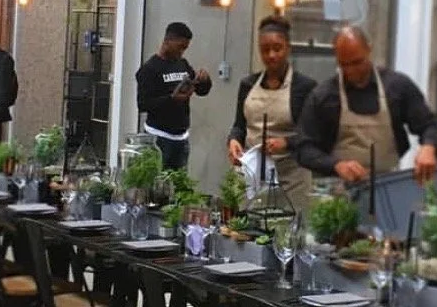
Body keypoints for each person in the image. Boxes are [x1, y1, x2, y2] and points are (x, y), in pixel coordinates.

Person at [296, 24, 437, 185]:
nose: (351, 71)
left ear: (369, 49)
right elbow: (304, 149)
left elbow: (430, 124)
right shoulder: (323, 96)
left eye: (357, 62)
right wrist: (336, 165)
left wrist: (428, 148)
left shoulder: (397, 87)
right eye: (344, 65)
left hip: (387, 184)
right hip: (337, 189)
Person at [227, 15, 317, 212]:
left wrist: (286, 143)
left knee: (290, 234)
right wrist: (233, 141)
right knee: (248, 232)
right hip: (253, 174)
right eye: (265, 50)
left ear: (288, 47)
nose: (272, 55)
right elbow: (239, 126)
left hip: (291, 177)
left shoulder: (305, 87)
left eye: (277, 48)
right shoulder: (248, 85)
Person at [135, 21, 212, 171]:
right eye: (180, 47)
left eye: (185, 48)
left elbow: (200, 91)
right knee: (157, 184)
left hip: (181, 138)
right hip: (159, 138)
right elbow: (143, 104)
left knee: (179, 186)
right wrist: (171, 99)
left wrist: (205, 82)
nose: (182, 52)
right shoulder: (149, 69)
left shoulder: (182, 64)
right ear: (167, 41)